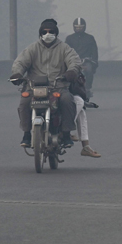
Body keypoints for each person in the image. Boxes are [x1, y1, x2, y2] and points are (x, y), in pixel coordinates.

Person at [11, 19, 82, 148]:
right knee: (24, 102)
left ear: (56, 33)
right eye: (45, 32)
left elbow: (74, 61)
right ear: (40, 33)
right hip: (34, 87)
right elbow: (20, 62)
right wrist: (17, 74)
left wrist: (71, 71)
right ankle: (27, 134)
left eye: (51, 32)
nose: (48, 34)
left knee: (67, 100)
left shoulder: (64, 48)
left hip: (58, 87)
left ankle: (66, 133)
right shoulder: (32, 48)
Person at [65, 18, 99, 97]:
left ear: (84, 27)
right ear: (74, 27)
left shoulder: (90, 38)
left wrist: (94, 62)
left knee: (89, 70)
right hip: (73, 61)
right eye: (77, 27)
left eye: (80, 27)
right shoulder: (69, 38)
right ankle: (67, 88)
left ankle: (88, 88)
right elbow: (66, 51)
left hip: (86, 61)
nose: (79, 29)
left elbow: (94, 51)